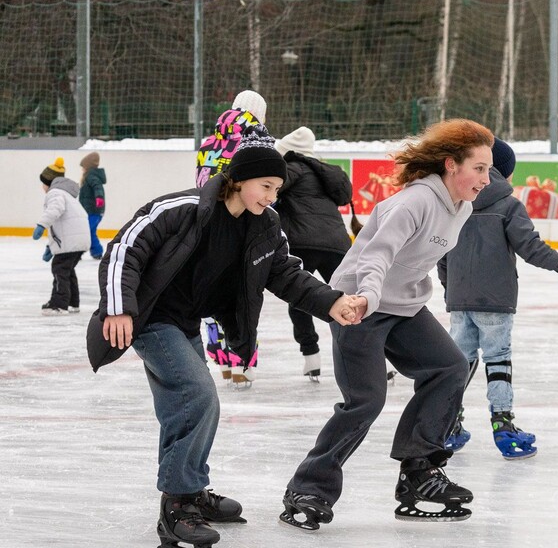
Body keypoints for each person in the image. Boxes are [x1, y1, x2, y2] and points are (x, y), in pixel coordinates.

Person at [85, 129, 366, 548]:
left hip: (185, 323)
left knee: (191, 407)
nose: (272, 197)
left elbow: (286, 274)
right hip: (150, 318)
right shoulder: (183, 207)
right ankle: (178, 504)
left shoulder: (265, 225)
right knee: (197, 396)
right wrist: (118, 306)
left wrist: (331, 303)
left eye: (277, 189)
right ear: (239, 179)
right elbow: (127, 247)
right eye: (266, 186)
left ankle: (190, 489)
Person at [280, 119, 494, 532]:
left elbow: (431, 257)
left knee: (449, 366)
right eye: (479, 168)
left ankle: (419, 473)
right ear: (451, 165)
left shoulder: (461, 207)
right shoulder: (413, 202)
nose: (486, 179)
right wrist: (367, 298)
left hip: (405, 306)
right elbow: (376, 255)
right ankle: (308, 488)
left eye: (488, 170)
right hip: (357, 302)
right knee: (366, 399)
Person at [437, 138, 558, 459]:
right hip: (496, 301)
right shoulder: (508, 204)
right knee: (498, 360)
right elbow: (530, 247)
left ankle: (448, 426)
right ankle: (504, 428)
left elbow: (441, 253)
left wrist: (451, 289)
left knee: (460, 362)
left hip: (460, 300)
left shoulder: (455, 202)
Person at [274, 126, 358, 381]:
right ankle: (377, 356)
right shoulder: (325, 173)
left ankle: (311, 357)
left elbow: (269, 193)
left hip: (303, 244)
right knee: (352, 300)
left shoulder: (290, 169)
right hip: (337, 244)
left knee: (300, 297)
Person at [195, 89, 267, 386]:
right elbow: (262, 190)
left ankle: (221, 362)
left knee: (210, 294)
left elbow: (201, 182)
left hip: (206, 223)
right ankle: (242, 365)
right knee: (243, 295)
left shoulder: (207, 142)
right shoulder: (257, 141)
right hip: (242, 225)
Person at [33, 157, 90, 315]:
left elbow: (54, 211)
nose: (42, 187)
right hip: (78, 240)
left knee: (59, 270)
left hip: (71, 241)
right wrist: (50, 248)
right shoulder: (67, 195)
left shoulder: (55, 193)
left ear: (49, 182)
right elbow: (63, 226)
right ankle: (73, 302)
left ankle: (59, 304)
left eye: (43, 183)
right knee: (68, 271)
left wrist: (41, 225)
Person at [78, 151, 106, 259]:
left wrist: (99, 198)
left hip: (94, 210)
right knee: (90, 232)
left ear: (87, 167)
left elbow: (97, 187)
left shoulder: (91, 176)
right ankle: (97, 252)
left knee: (85, 232)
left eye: (83, 167)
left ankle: (77, 252)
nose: (82, 170)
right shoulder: (90, 176)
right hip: (91, 210)